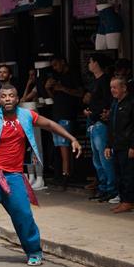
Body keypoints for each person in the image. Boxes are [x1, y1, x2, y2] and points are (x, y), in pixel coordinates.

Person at [0, 84, 81, 265]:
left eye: (11, 95)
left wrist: (72, 138)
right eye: (4, 96)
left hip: (14, 175)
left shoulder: (27, 116)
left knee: (23, 214)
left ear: (17, 99)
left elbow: (50, 124)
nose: (8, 99)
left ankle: (34, 251)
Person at [45, 57, 83, 189]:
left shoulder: (72, 75)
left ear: (62, 62)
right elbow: (55, 97)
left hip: (67, 114)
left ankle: (66, 174)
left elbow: (80, 93)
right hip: (56, 114)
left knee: (64, 146)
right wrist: (48, 89)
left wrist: (63, 88)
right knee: (59, 146)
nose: (54, 68)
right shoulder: (58, 76)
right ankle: (62, 174)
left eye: (56, 64)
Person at [85, 54, 116, 202]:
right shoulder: (95, 81)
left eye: (90, 61)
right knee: (97, 159)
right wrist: (89, 110)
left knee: (105, 158)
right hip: (93, 122)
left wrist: (95, 112)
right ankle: (103, 188)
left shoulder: (105, 80)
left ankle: (111, 189)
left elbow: (107, 102)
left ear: (96, 63)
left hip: (101, 123)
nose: (89, 64)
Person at [105, 77, 133, 213]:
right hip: (116, 145)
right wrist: (108, 145)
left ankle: (128, 202)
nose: (112, 90)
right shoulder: (115, 103)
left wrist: (133, 146)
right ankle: (123, 200)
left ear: (124, 88)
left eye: (115, 87)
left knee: (128, 175)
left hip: (127, 146)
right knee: (119, 175)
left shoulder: (131, 103)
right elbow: (112, 126)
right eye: (111, 87)